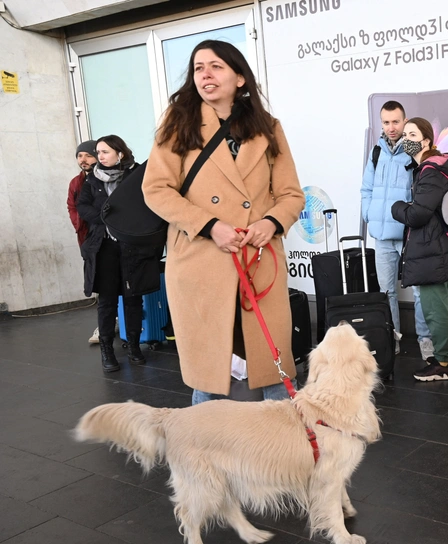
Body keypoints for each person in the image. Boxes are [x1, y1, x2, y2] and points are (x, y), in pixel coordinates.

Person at [143, 40, 305, 404]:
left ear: (240, 78)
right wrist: (210, 225)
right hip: (203, 259)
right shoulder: (178, 124)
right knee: (210, 369)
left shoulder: (268, 127)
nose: (205, 74)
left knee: (272, 363)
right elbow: (155, 189)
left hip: (258, 259)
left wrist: (272, 222)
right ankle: (204, 452)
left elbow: (291, 195)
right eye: (198, 68)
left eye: (215, 66)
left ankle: (284, 452)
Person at [76, 135, 162, 373]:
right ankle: (107, 351)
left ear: (120, 153)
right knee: (106, 301)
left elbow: (148, 206)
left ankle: (134, 347)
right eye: (98, 152)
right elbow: (83, 207)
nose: (99, 157)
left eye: (104, 152)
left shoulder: (136, 176)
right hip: (103, 248)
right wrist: (107, 220)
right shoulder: (92, 180)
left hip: (132, 247)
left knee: (133, 298)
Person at [391, 117, 448, 381]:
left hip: (429, 250)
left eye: (413, 136)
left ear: (426, 141)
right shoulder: (434, 169)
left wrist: (397, 207)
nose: (407, 141)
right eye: (405, 136)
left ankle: (443, 364)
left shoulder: (430, 172)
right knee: (444, 305)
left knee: (436, 309)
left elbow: (417, 216)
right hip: (436, 248)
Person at [361, 101, 433, 360]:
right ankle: (392, 341)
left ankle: (427, 343)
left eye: (396, 122)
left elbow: (427, 183)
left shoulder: (414, 148)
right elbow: (366, 189)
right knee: (386, 292)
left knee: (418, 291)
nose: (391, 127)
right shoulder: (377, 151)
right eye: (386, 122)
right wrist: (368, 214)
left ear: (405, 122)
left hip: (408, 233)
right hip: (381, 235)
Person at [67, 140, 102, 344]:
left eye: (88, 155)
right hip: (88, 237)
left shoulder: (105, 178)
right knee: (96, 279)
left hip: (107, 235)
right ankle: (107, 322)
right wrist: (79, 225)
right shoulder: (76, 182)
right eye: (80, 156)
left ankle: (119, 320)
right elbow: (72, 206)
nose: (83, 160)